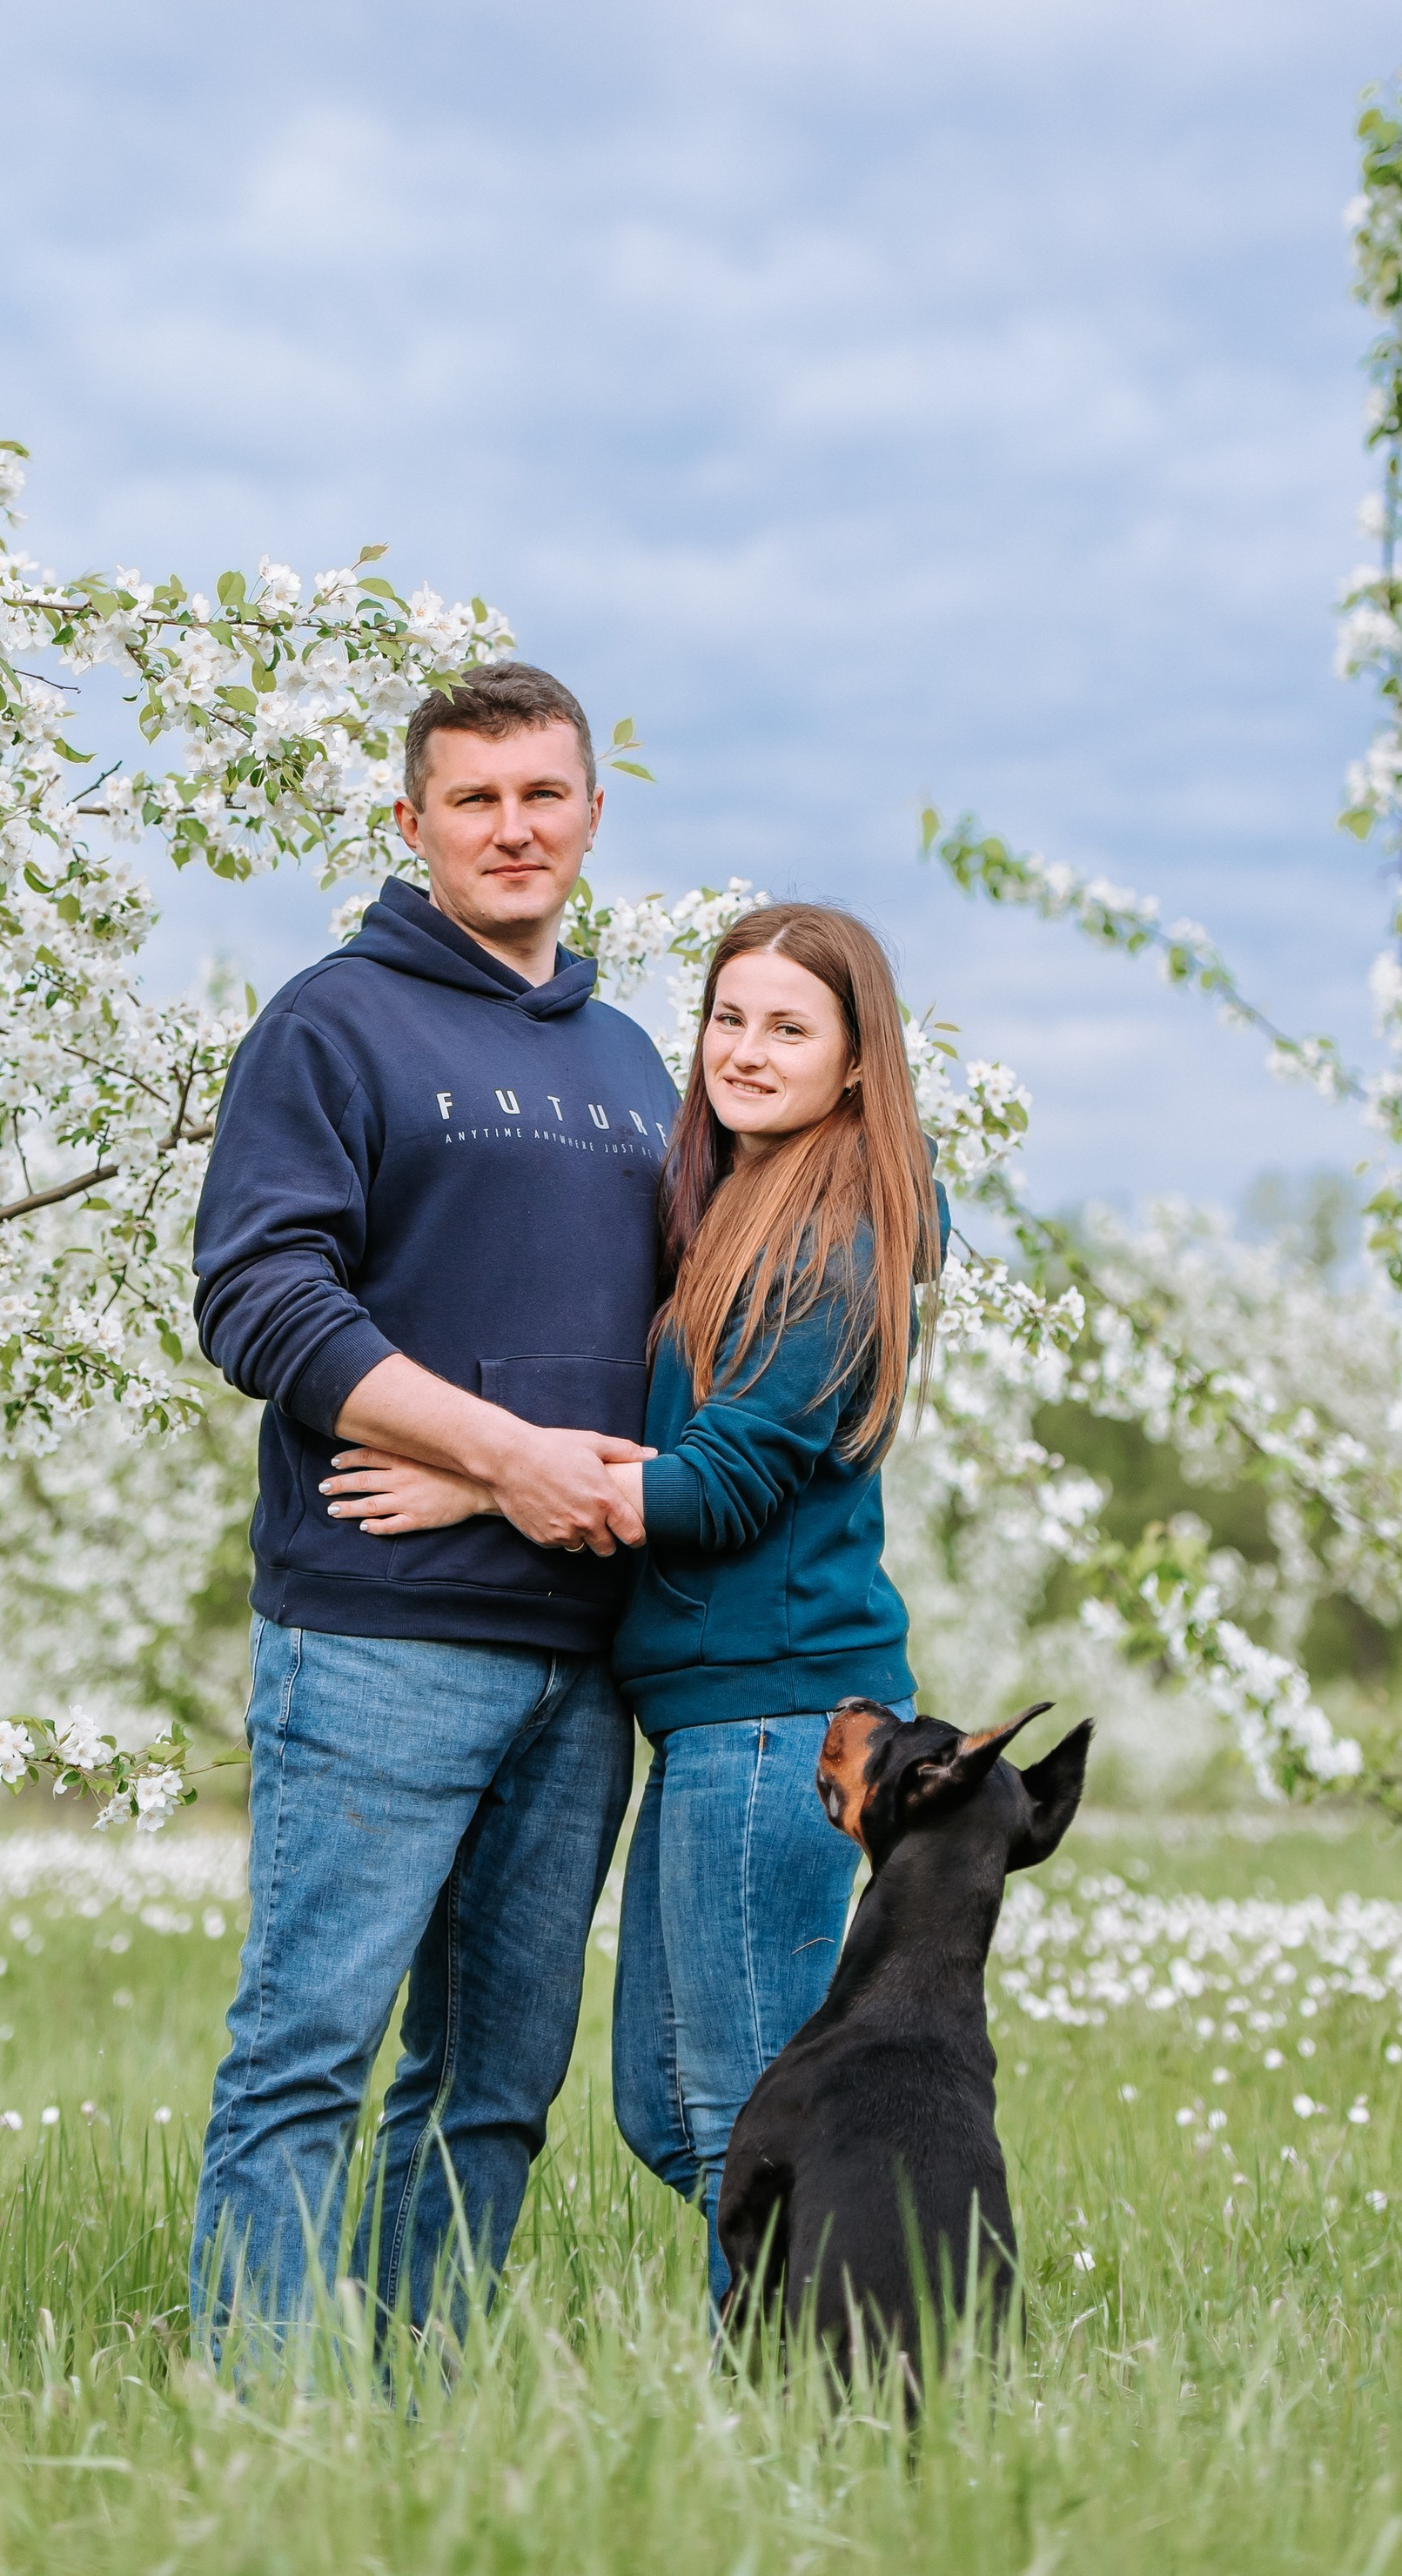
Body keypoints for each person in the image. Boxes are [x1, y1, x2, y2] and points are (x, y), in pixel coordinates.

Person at [325, 900, 943, 2309]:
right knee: (679, 2114)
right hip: (723, 1712)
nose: (746, 1049)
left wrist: (484, 1486)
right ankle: (851, 2348)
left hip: (780, 1716)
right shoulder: (748, 1202)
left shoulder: (838, 1238)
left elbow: (724, 1488)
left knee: (728, 2120)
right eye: (729, 1017)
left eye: (790, 1027)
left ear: (857, 1061)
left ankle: (815, 2405)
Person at [187, 661, 679, 2351]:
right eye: (472, 798)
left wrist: (543, 1476)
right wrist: (497, 1453)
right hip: (379, 1631)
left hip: (584, 1652)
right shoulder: (334, 1022)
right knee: (304, 2057)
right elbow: (257, 1297)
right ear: (410, 824)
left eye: (542, 793)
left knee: (493, 2086)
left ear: (592, 817)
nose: (511, 826)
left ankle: (413, 2430)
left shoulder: (630, 1062)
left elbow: (682, 1345)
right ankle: (264, 2426)